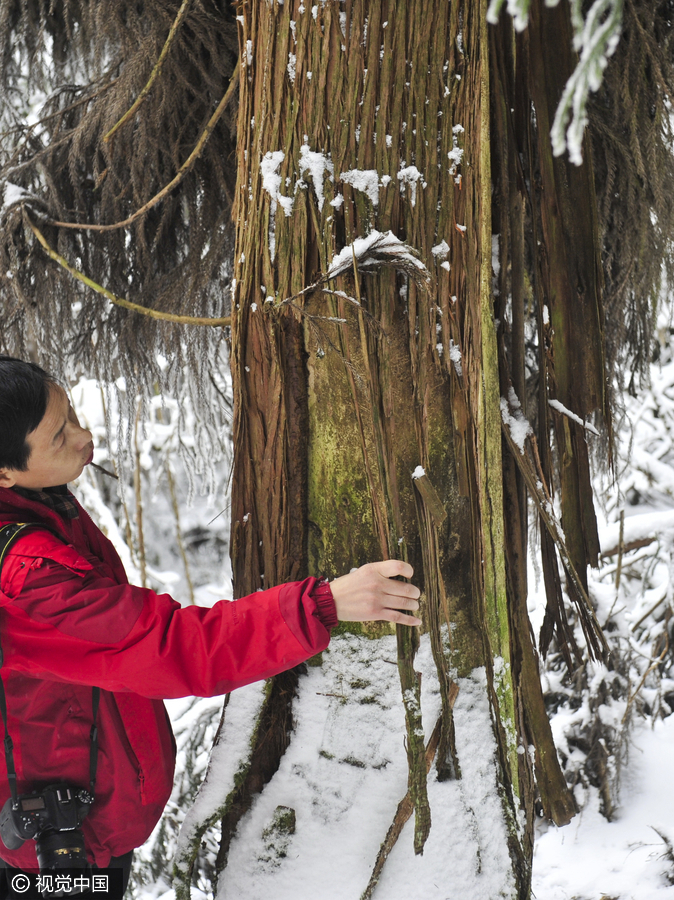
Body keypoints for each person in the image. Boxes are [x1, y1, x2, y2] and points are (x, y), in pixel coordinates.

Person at [0, 356, 421, 894]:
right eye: (59, 436)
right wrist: (321, 605)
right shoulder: (27, 579)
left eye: (73, 417)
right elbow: (166, 646)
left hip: (80, 825)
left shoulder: (38, 503)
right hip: (52, 853)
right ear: (5, 471)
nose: (85, 438)